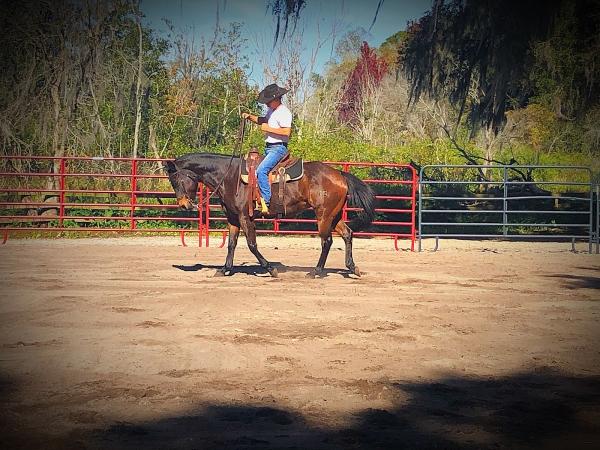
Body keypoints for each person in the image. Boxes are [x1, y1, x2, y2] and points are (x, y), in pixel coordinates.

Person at [241, 83, 292, 214]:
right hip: (269, 148)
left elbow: (287, 132)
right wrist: (250, 116)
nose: (266, 104)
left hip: (278, 148)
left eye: (268, 102)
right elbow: (263, 120)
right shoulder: (272, 111)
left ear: (276, 99)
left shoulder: (284, 112)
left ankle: (266, 202)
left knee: (262, 170)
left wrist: (267, 128)